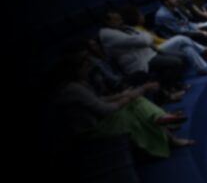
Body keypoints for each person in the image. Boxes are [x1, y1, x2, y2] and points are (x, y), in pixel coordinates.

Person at [54, 52, 194, 158]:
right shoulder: (73, 89)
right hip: (93, 130)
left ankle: (164, 123)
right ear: (76, 69)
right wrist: (128, 97)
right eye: (85, 67)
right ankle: (165, 126)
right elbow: (104, 109)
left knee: (137, 102)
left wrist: (124, 95)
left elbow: (100, 99)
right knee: (136, 108)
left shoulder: (78, 83)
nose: (88, 70)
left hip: (102, 121)